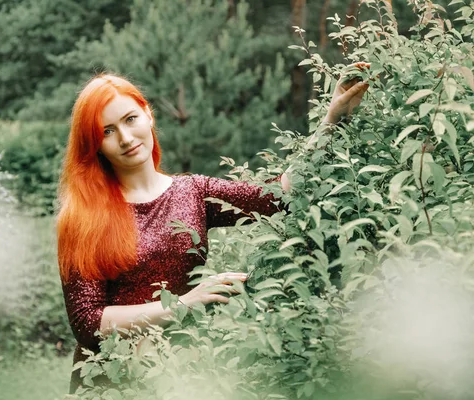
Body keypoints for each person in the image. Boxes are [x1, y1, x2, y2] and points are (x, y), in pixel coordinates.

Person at [57, 67, 369, 393]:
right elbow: (87, 323)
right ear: (94, 145)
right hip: (112, 382)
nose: (124, 137)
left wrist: (331, 120)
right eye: (107, 131)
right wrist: (182, 304)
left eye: (130, 119)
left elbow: (279, 196)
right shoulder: (82, 216)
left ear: (148, 115)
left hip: (182, 374)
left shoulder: (192, 191)